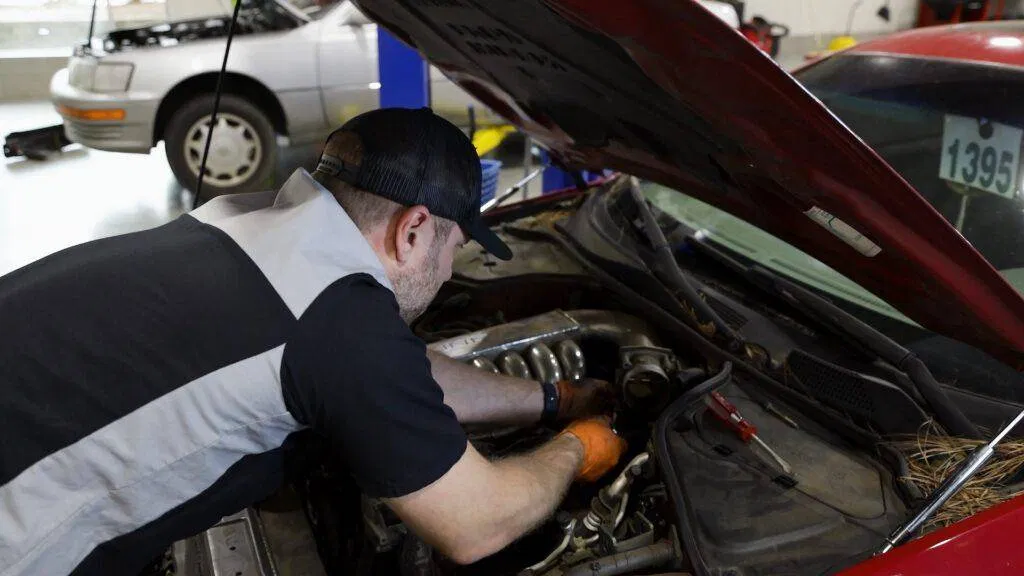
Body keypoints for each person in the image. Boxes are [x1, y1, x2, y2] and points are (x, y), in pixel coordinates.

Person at [0, 107, 627, 575]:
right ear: (413, 230)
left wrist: (555, 399)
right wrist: (579, 448)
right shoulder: (335, 322)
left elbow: (402, 372)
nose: (446, 276)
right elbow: (476, 525)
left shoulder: (245, 220)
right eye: (452, 251)